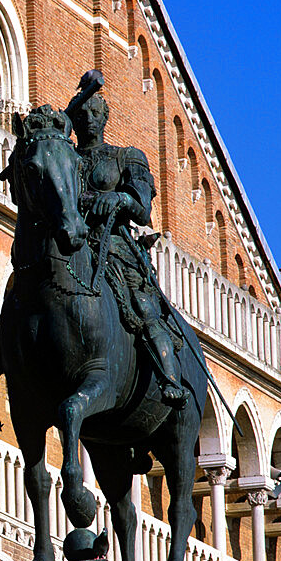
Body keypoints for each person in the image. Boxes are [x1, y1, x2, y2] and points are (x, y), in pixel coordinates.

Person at [64, 71, 189, 407]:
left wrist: (119, 199)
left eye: (95, 113)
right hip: (72, 240)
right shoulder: (66, 159)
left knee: (143, 306)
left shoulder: (125, 157)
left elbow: (143, 210)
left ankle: (170, 378)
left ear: (105, 118)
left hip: (114, 244)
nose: (88, 118)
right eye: (82, 113)